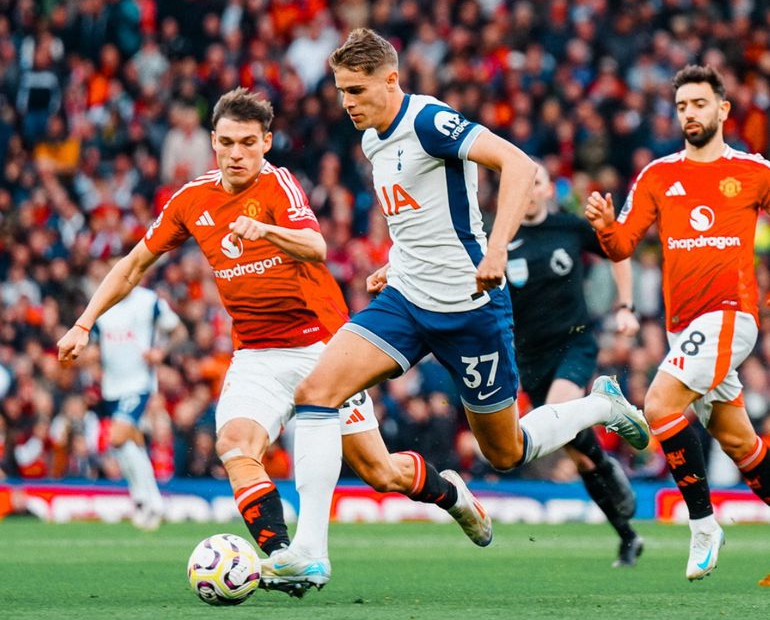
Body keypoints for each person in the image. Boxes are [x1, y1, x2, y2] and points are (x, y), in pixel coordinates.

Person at [262, 29, 650, 590]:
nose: (346, 102)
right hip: (406, 301)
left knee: (506, 451)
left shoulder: (428, 121)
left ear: (391, 80)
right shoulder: (372, 138)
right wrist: (396, 262)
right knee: (316, 392)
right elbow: (418, 215)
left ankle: (599, 405)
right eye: (341, 90)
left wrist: (496, 250)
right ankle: (310, 552)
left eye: (356, 90)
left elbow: (517, 164)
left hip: (470, 309)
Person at [57, 88, 490, 589]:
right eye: (226, 143)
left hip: (323, 348)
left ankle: (453, 495)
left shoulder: (279, 185)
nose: (235, 154)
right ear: (212, 142)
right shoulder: (192, 199)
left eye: (247, 143)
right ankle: (287, 557)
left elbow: (316, 246)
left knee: (380, 472)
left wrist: (265, 231)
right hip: (256, 354)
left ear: (266, 142)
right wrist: (84, 322)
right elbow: (134, 265)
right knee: (235, 444)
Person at [586, 64, 770, 580]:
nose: (690, 113)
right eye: (683, 105)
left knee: (659, 404)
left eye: (699, 103)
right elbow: (622, 244)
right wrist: (605, 227)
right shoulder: (657, 175)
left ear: (723, 109)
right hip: (682, 328)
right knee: (740, 443)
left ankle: (704, 525)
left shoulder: (754, 171)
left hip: (730, 315)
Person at [507, 162, 643, 567]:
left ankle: (605, 458)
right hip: (529, 356)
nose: (529, 190)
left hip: (574, 342)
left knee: (558, 412)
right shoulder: (500, 237)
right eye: (522, 183)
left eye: (536, 183)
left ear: (549, 190)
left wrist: (626, 305)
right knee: (579, 455)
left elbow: (618, 248)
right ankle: (627, 535)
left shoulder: (568, 228)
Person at [93, 273, 186, 529]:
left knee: (117, 437)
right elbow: (95, 344)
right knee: (129, 444)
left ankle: (146, 500)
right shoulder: (102, 303)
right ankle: (146, 501)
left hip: (138, 383)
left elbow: (179, 331)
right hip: (111, 387)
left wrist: (161, 352)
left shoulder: (149, 301)